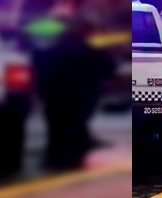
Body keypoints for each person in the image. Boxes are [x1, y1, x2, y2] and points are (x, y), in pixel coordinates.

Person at [32, 14, 115, 170]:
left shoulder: (51, 51)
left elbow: (40, 71)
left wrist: (42, 92)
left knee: (56, 127)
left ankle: (54, 158)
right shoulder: (92, 51)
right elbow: (108, 69)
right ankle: (73, 159)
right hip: (82, 97)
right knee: (77, 125)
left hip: (55, 96)